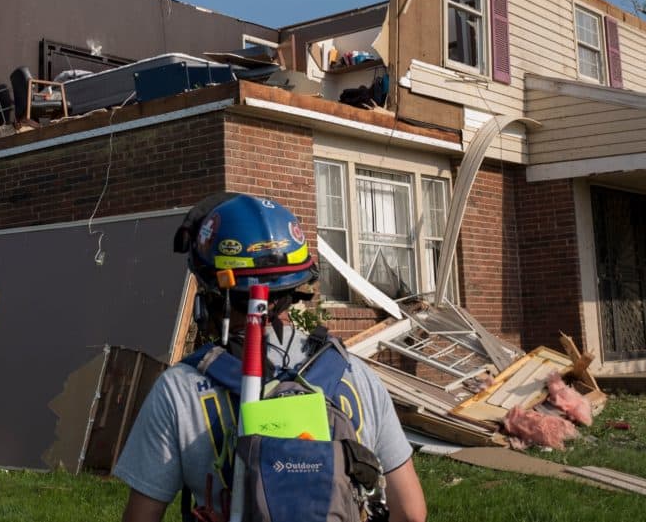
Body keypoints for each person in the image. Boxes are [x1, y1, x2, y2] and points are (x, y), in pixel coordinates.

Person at [114, 193, 427, 522]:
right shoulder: (355, 375)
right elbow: (410, 512)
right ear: (295, 286)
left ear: (211, 291)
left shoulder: (179, 390)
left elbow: (141, 517)